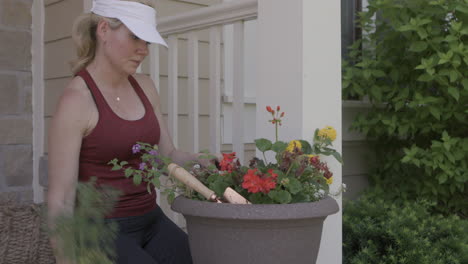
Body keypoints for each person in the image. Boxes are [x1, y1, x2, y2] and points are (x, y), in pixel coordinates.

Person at [47, 0, 217, 263]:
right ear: (104, 29)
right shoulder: (77, 100)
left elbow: (167, 154)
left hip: (150, 219)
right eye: (135, 37)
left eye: (147, 41)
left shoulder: (145, 87)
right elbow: (61, 198)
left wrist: (201, 161)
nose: (143, 50)